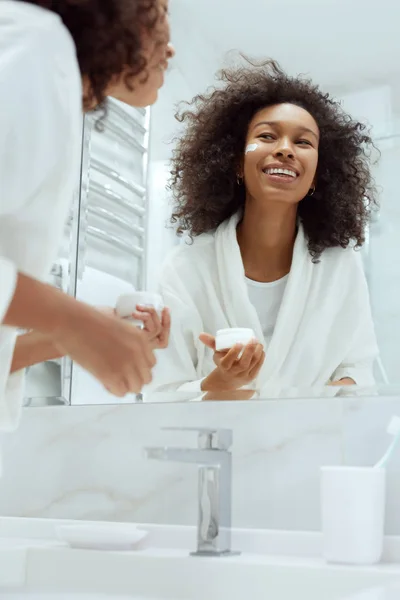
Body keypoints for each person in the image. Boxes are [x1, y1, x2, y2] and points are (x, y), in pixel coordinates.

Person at [150, 59, 379, 398]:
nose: (285, 149)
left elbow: (357, 369)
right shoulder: (186, 269)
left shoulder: (339, 266)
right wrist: (219, 384)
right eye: (267, 136)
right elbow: (161, 394)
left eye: (303, 142)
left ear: (316, 176)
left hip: (309, 446)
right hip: (216, 448)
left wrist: (333, 397)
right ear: (237, 164)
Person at [0, 0, 174, 429]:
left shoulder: (44, 62)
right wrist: (74, 321)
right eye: (162, 8)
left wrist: (88, 333)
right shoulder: (37, 48)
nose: (171, 49)